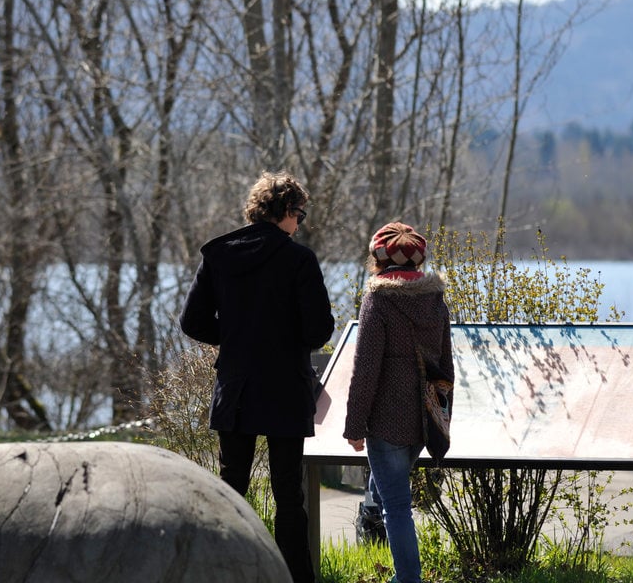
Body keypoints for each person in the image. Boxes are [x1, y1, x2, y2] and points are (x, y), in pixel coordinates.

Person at [179, 170, 335, 583]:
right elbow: (319, 332)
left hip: (237, 386)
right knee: (288, 493)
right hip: (286, 386)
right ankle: (296, 578)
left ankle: (218, 573)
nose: (299, 223)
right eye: (298, 213)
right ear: (285, 211)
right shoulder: (299, 260)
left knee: (230, 489)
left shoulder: (219, 256)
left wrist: (234, 337)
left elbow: (192, 321)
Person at [342, 221, 454, 583]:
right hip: (421, 418)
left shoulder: (378, 298)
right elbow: (446, 364)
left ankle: (408, 578)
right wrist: (441, 417)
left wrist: (354, 426)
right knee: (390, 490)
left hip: (386, 419)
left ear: (378, 259)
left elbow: (365, 367)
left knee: (397, 508)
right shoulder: (435, 299)